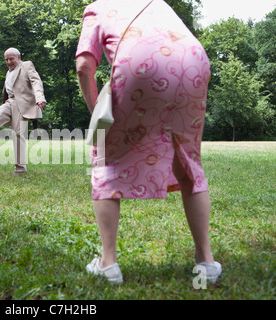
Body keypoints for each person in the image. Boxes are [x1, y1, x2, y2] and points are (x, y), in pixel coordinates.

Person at [76, 0, 221, 285]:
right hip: (194, 64)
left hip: (141, 66)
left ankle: (107, 263)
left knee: (107, 157)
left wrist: (97, 112)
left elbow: (83, 66)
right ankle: (206, 261)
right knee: (188, 161)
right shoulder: (158, 3)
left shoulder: (97, 8)